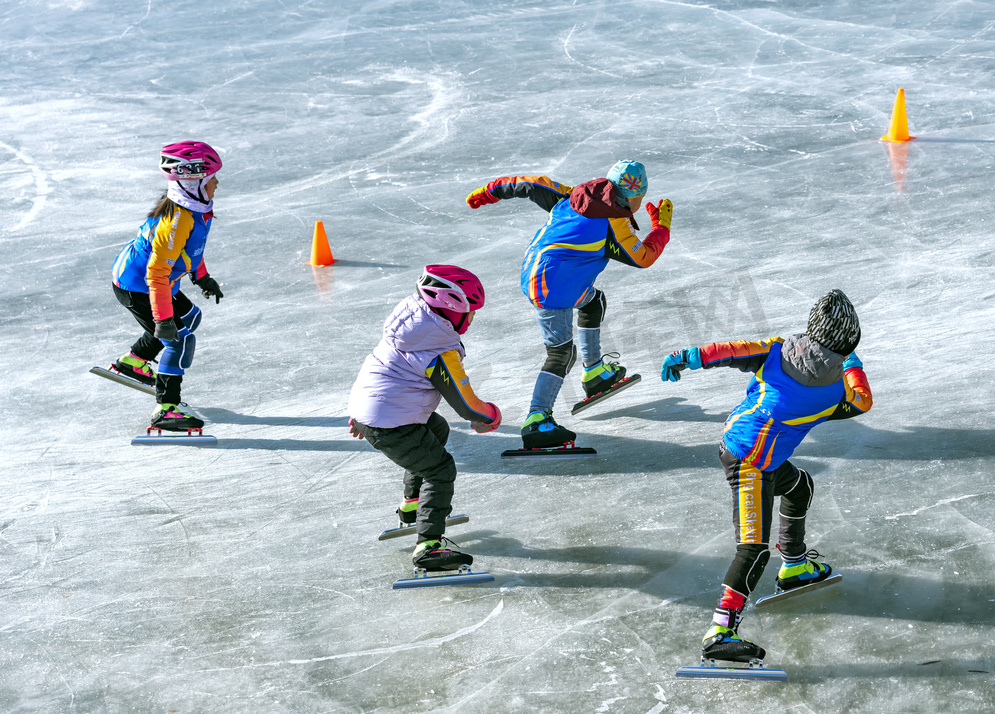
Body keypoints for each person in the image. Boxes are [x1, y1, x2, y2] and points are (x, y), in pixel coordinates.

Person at [660, 289, 873, 664]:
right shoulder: (837, 391)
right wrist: (851, 360)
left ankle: (794, 567)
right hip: (748, 464)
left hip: (753, 452)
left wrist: (687, 357)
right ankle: (720, 631)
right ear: (849, 342)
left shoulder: (777, 349)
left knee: (800, 487)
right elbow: (862, 401)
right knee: (753, 548)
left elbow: (732, 350)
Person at [465, 160, 674, 449]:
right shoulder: (615, 225)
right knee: (561, 353)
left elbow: (531, 183)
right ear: (631, 197)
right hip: (553, 286)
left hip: (540, 272)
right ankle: (537, 419)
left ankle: (596, 373)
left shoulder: (575, 194)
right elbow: (643, 257)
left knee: (593, 302)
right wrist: (661, 227)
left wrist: (489, 192)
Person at [347, 265, 501, 571]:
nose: (472, 319)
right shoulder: (437, 349)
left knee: (436, 429)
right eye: (470, 312)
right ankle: (429, 546)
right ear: (452, 309)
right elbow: (467, 405)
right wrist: (490, 414)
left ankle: (412, 506)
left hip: (373, 410)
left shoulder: (414, 325)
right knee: (441, 469)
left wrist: (361, 415)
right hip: (390, 422)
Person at [110, 141, 225, 431]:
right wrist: (163, 321)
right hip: (138, 286)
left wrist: (202, 277)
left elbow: (190, 250)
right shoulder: (176, 220)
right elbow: (157, 273)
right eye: (212, 178)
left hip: (157, 282)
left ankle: (134, 361)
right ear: (193, 181)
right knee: (178, 338)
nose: (217, 183)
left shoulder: (193, 209)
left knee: (190, 317)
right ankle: (167, 407)